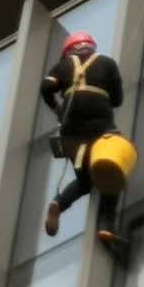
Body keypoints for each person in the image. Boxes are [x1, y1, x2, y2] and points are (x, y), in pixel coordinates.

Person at [39, 32, 125, 245]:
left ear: (68, 51)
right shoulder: (107, 62)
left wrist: (57, 108)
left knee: (85, 181)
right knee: (110, 171)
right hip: (100, 128)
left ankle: (59, 204)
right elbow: (117, 100)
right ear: (91, 47)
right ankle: (106, 225)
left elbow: (46, 87)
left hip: (71, 132)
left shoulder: (64, 65)